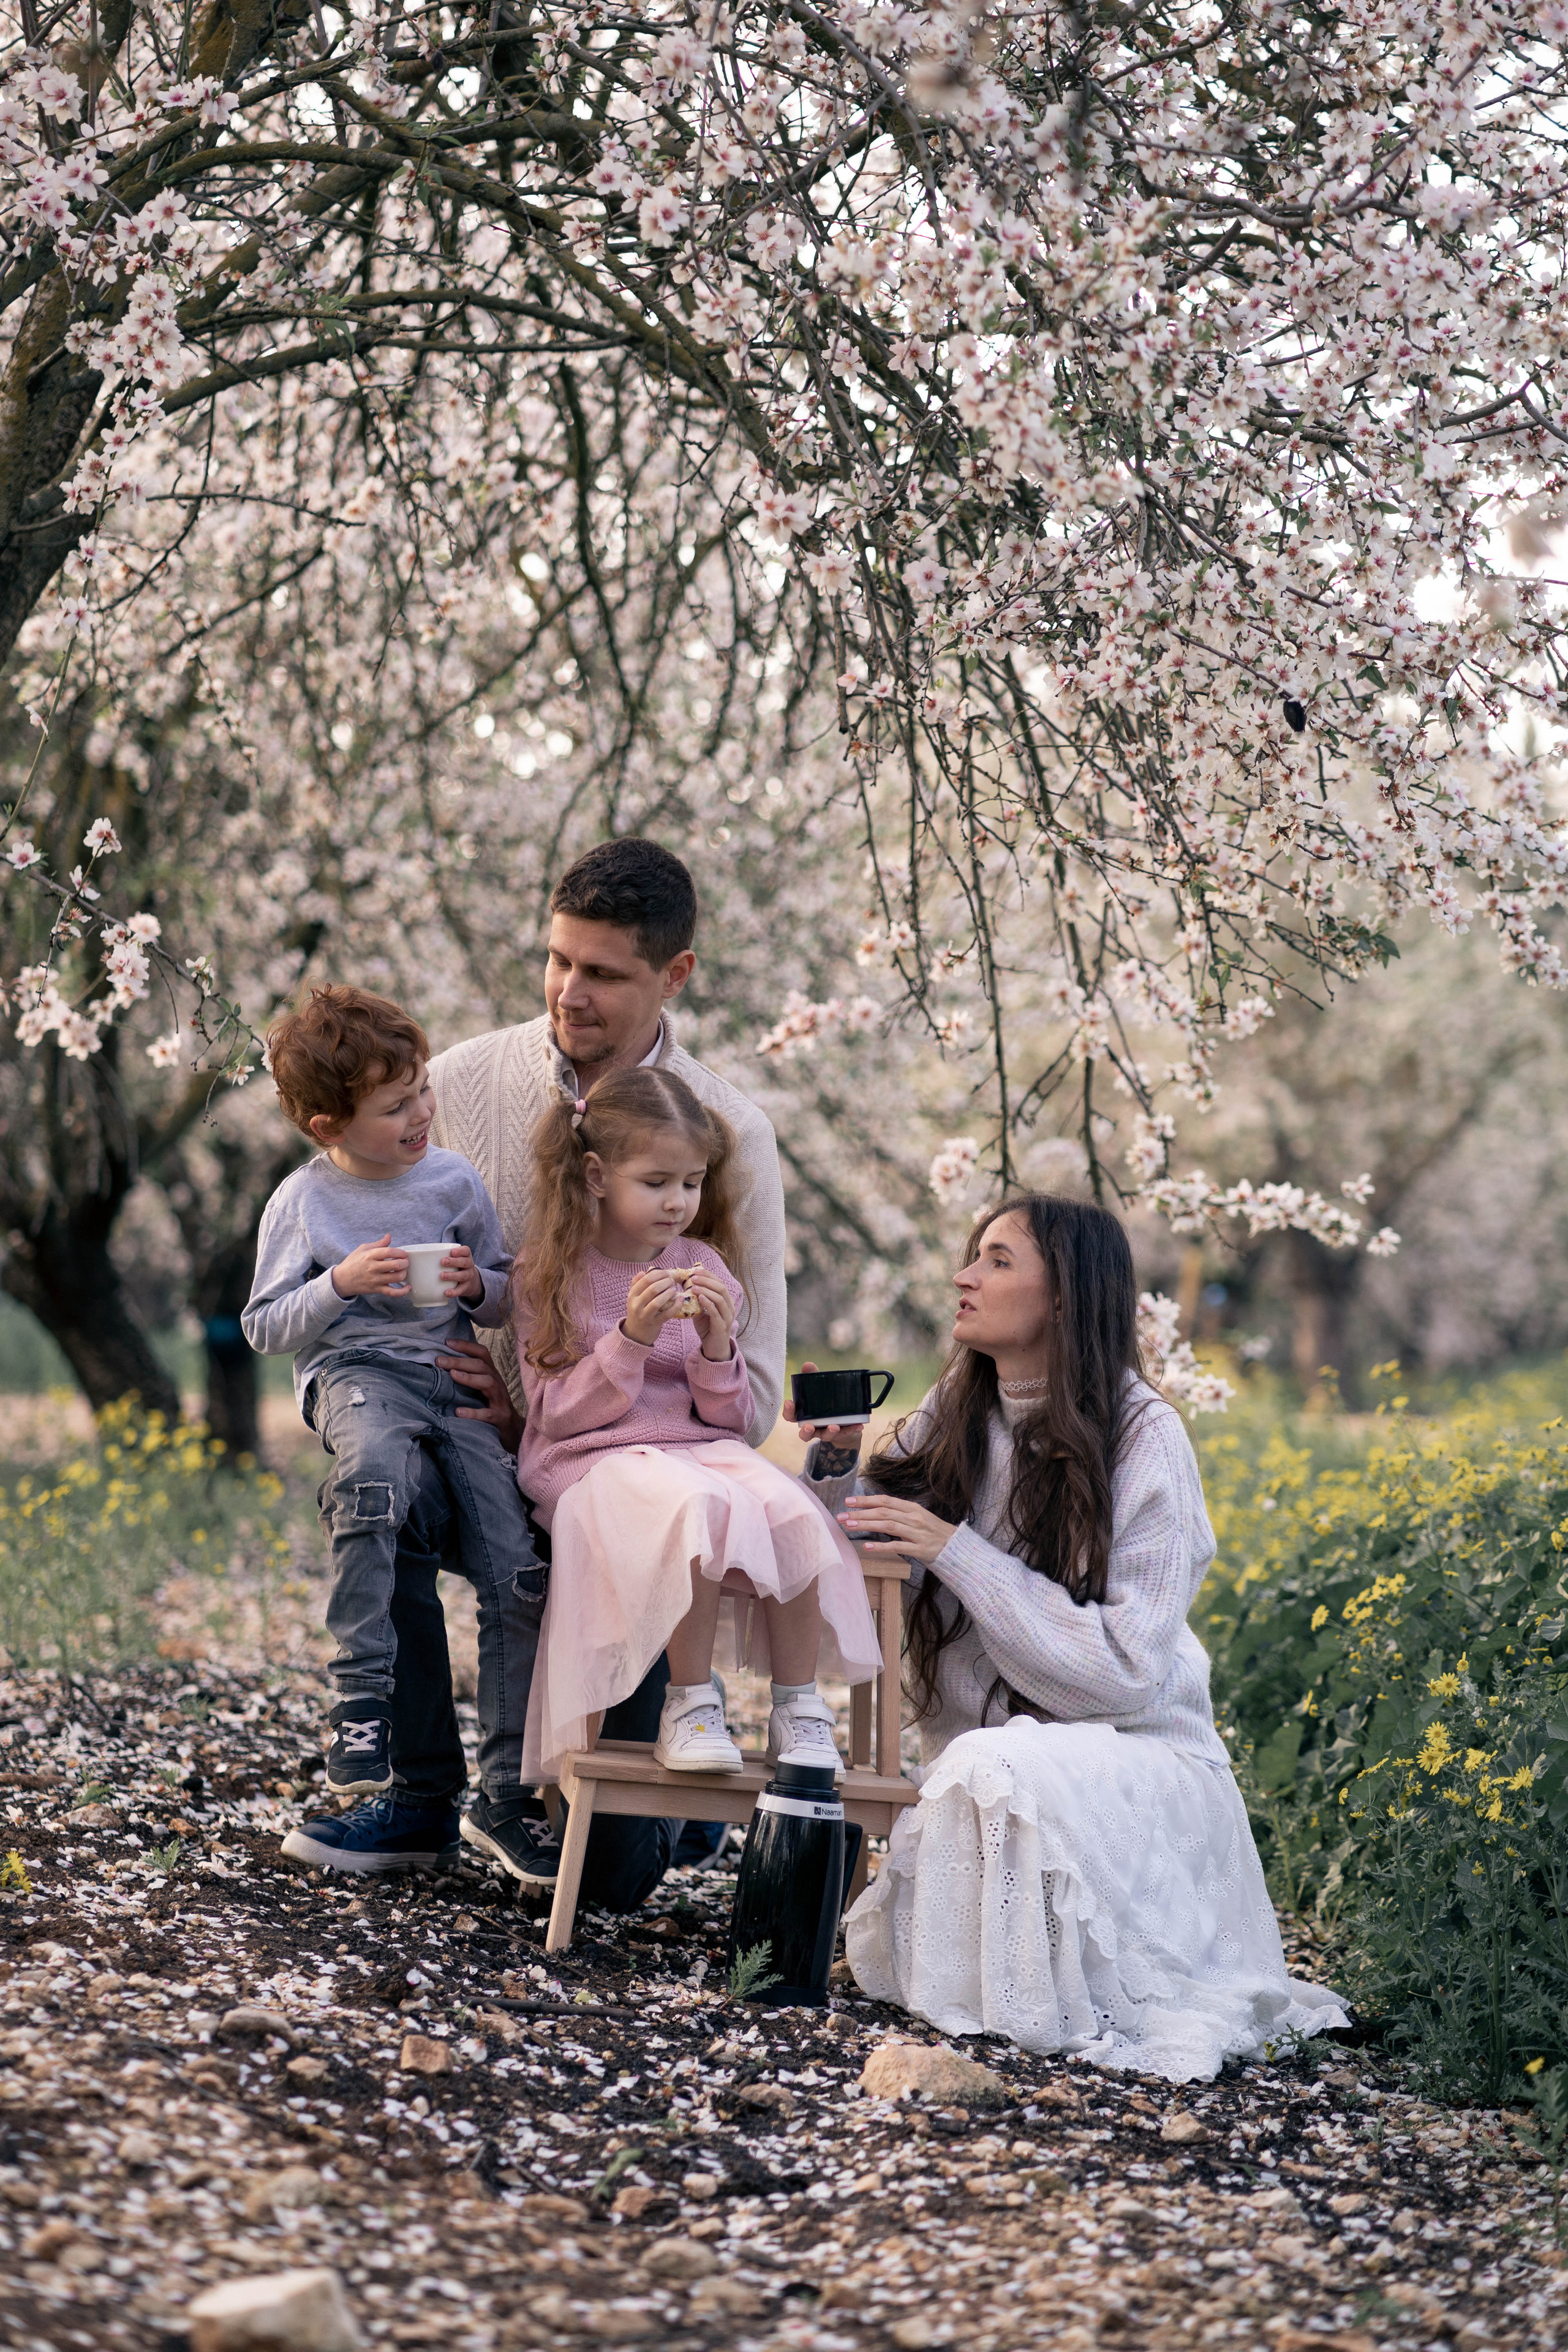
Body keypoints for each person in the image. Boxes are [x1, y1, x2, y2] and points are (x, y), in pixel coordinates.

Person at [283, 839, 788, 1901]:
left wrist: (559, 1410)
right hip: (468, 1454)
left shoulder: (728, 1129)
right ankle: (425, 1792)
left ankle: (661, 1826)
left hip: (626, 1492)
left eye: (603, 973)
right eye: (558, 962)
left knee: (608, 1883)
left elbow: (757, 1390)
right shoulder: (456, 1086)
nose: (570, 992)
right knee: (382, 1495)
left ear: (675, 976)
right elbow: (336, 1219)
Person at [794, 1193, 1348, 2082]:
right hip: (1007, 1765)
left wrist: (962, 1553)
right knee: (983, 1764)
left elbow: (1127, 1673)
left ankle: (1015, 2026)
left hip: (1142, 1765)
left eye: (998, 1260)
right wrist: (833, 1465)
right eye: (973, 1255)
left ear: (1065, 1298)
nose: (963, 1276)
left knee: (989, 1766)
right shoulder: (961, 1409)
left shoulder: (1145, 1436)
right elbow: (853, 1559)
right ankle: (984, 2017)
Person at [514, 1066, 880, 1779]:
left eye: (691, 1182)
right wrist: (632, 1338)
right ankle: (690, 1702)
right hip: (595, 1458)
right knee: (698, 1508)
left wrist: (717, 1348)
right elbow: (556, 1415)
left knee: (791, 1510)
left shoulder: (703, 1263)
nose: (678, 1202)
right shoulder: (549, 1271)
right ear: (595, 1175)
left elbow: (731, 1420)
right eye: (656, 1183)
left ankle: (798, 1707)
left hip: (696, 1447)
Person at [241, 987, 545, 1836]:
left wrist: (475, 1285)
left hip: (450, 1378)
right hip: (358, 1374)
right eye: (394, 1105)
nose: (420, 1114)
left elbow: (500, 1294)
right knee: (370, 1483)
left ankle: (507, 1790)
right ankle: (361, 1700)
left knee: (516, 1569)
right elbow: (263, 1325)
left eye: (420, 1092)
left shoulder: (452, 1177)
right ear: (328, 1126)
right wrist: (340, 1286)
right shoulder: (303, 1203)